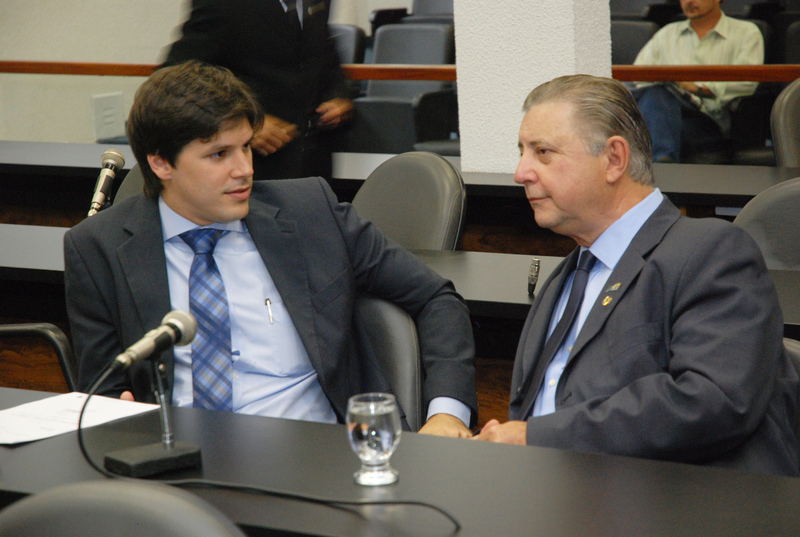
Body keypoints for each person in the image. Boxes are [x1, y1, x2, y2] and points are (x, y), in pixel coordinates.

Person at [64, 61, 476, 438]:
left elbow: (435, 297)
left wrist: (447, 414)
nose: (244, 169)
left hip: (321, 458)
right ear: (161, 164)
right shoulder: (98, 248)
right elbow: (104, 391)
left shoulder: (311, 213)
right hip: (179, 463)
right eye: (219, 154)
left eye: (245, 146)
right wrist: (115, 416)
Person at [473, 74, 799, 476]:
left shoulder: (711, 252)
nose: (521, 172)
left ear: (614, 159)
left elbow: (711, 401)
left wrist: (536, 438)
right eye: (522, 152)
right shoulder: (566, 275)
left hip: (679, 499)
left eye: (543, 152)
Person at [163, 0, 353, 180]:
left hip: (315, 164)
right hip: (251, 169)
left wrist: (337, 96)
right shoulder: (223, 4)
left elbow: (324, 56)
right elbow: (176, 80)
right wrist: (242, 120)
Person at [631, 0, 764, 162]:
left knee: (653, 117)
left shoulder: (746, 33)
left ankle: (655, 168)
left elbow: (747, 83)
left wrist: (696, 88)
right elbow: (637, 76)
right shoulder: (666, 33)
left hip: (708, 121)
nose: (689, 1)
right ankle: (661, 164)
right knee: (655, 97)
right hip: (664, 111)